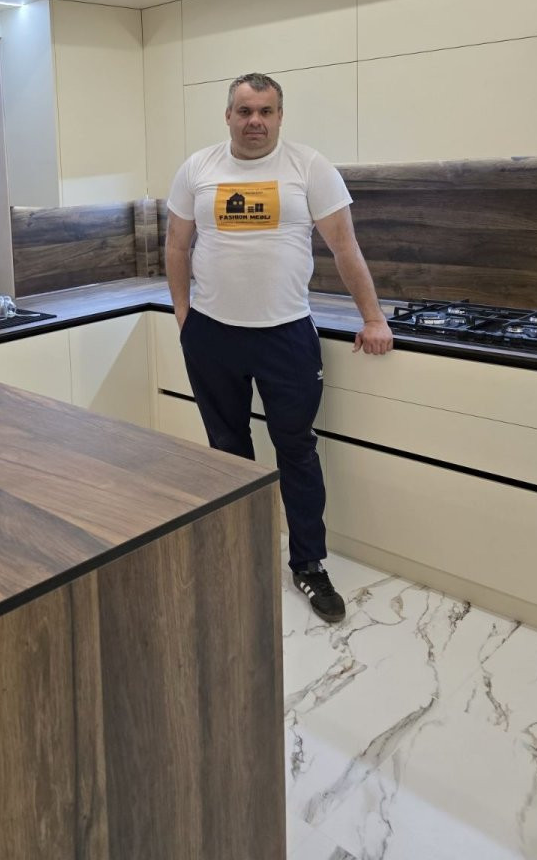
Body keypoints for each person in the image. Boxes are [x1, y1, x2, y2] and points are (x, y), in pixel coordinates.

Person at [165, 72, 393, 623]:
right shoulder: (197, 169)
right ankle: (240, 550)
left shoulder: (309, 167)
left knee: (296, 451)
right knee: (227, 449)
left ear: (280, 116)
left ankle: (309, 564)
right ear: (228, 115)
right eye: (245, 111)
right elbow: (176, 244)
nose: (255, 122)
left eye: (265, 111)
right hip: (212, 335)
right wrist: (183, 315)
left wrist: (372, 317)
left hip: (286, 336)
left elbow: (344, 247)